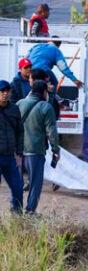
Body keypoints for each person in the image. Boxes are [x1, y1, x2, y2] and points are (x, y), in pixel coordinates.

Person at [18, 80, 58, 214]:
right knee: (35, 182)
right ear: (44, 92)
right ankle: (30, 211)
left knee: (16, 182)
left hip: (17, 151)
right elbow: (51, 132)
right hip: (35, 151)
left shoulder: (19, 104)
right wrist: (55, 150)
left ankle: (16, 210)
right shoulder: (46, 107)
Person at [0, 80, 24, 213]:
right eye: (2, 91)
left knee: (18, 187)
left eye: (7, 91)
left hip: (9, 157)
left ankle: (17, 215)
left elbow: (20, 131)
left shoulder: (14, 109)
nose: (5, 94)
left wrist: (19, 151)